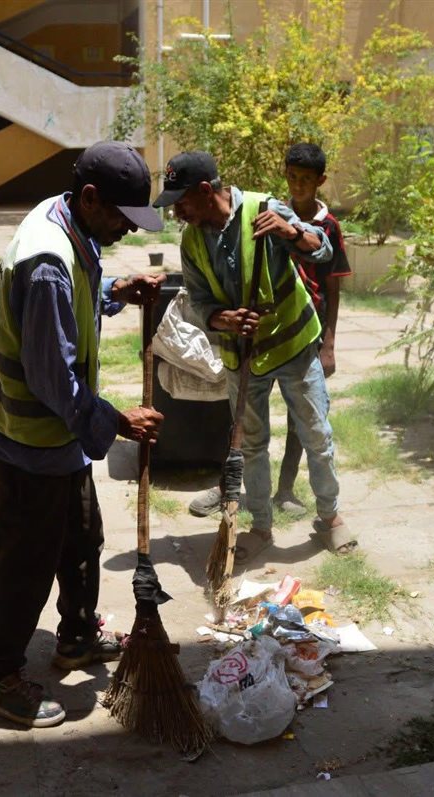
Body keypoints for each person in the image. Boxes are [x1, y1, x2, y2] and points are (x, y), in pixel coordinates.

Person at [0, 141, 165, 729]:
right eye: (121, 219)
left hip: (60, 439)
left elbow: (72, 305)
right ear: (89, 198)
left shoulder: (68, 223)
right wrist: (117, 421)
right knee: (27, 562)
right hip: (31, 437)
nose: (127, 232)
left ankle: (76, 639)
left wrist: (114, 292)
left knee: (82, 539)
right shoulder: (49, 260)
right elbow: (53, 378)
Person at [155, 151, 356, 560]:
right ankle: (261, 527)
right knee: (252, 445)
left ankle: (329, 518)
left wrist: (291, 232)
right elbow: (196, 299)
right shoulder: (192, 239)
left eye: (182, 201)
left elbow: (323, 251)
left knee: (316, 434)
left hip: (293, 344)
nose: (177, 212)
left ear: (206, 191)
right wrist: (222, 318)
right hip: (241, 356)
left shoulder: (265, 209)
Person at [273, 142, 352, 515]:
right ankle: (236, 487)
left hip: (311, 330)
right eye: (292, 177)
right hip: (273, 326)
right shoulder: (274, 215)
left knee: (301, 414)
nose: (298, 185)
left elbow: (333, 283)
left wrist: (329, 344)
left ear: (320, 180)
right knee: (249, 413)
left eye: (306, 179)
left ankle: (285, 488)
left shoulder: (329, 226)